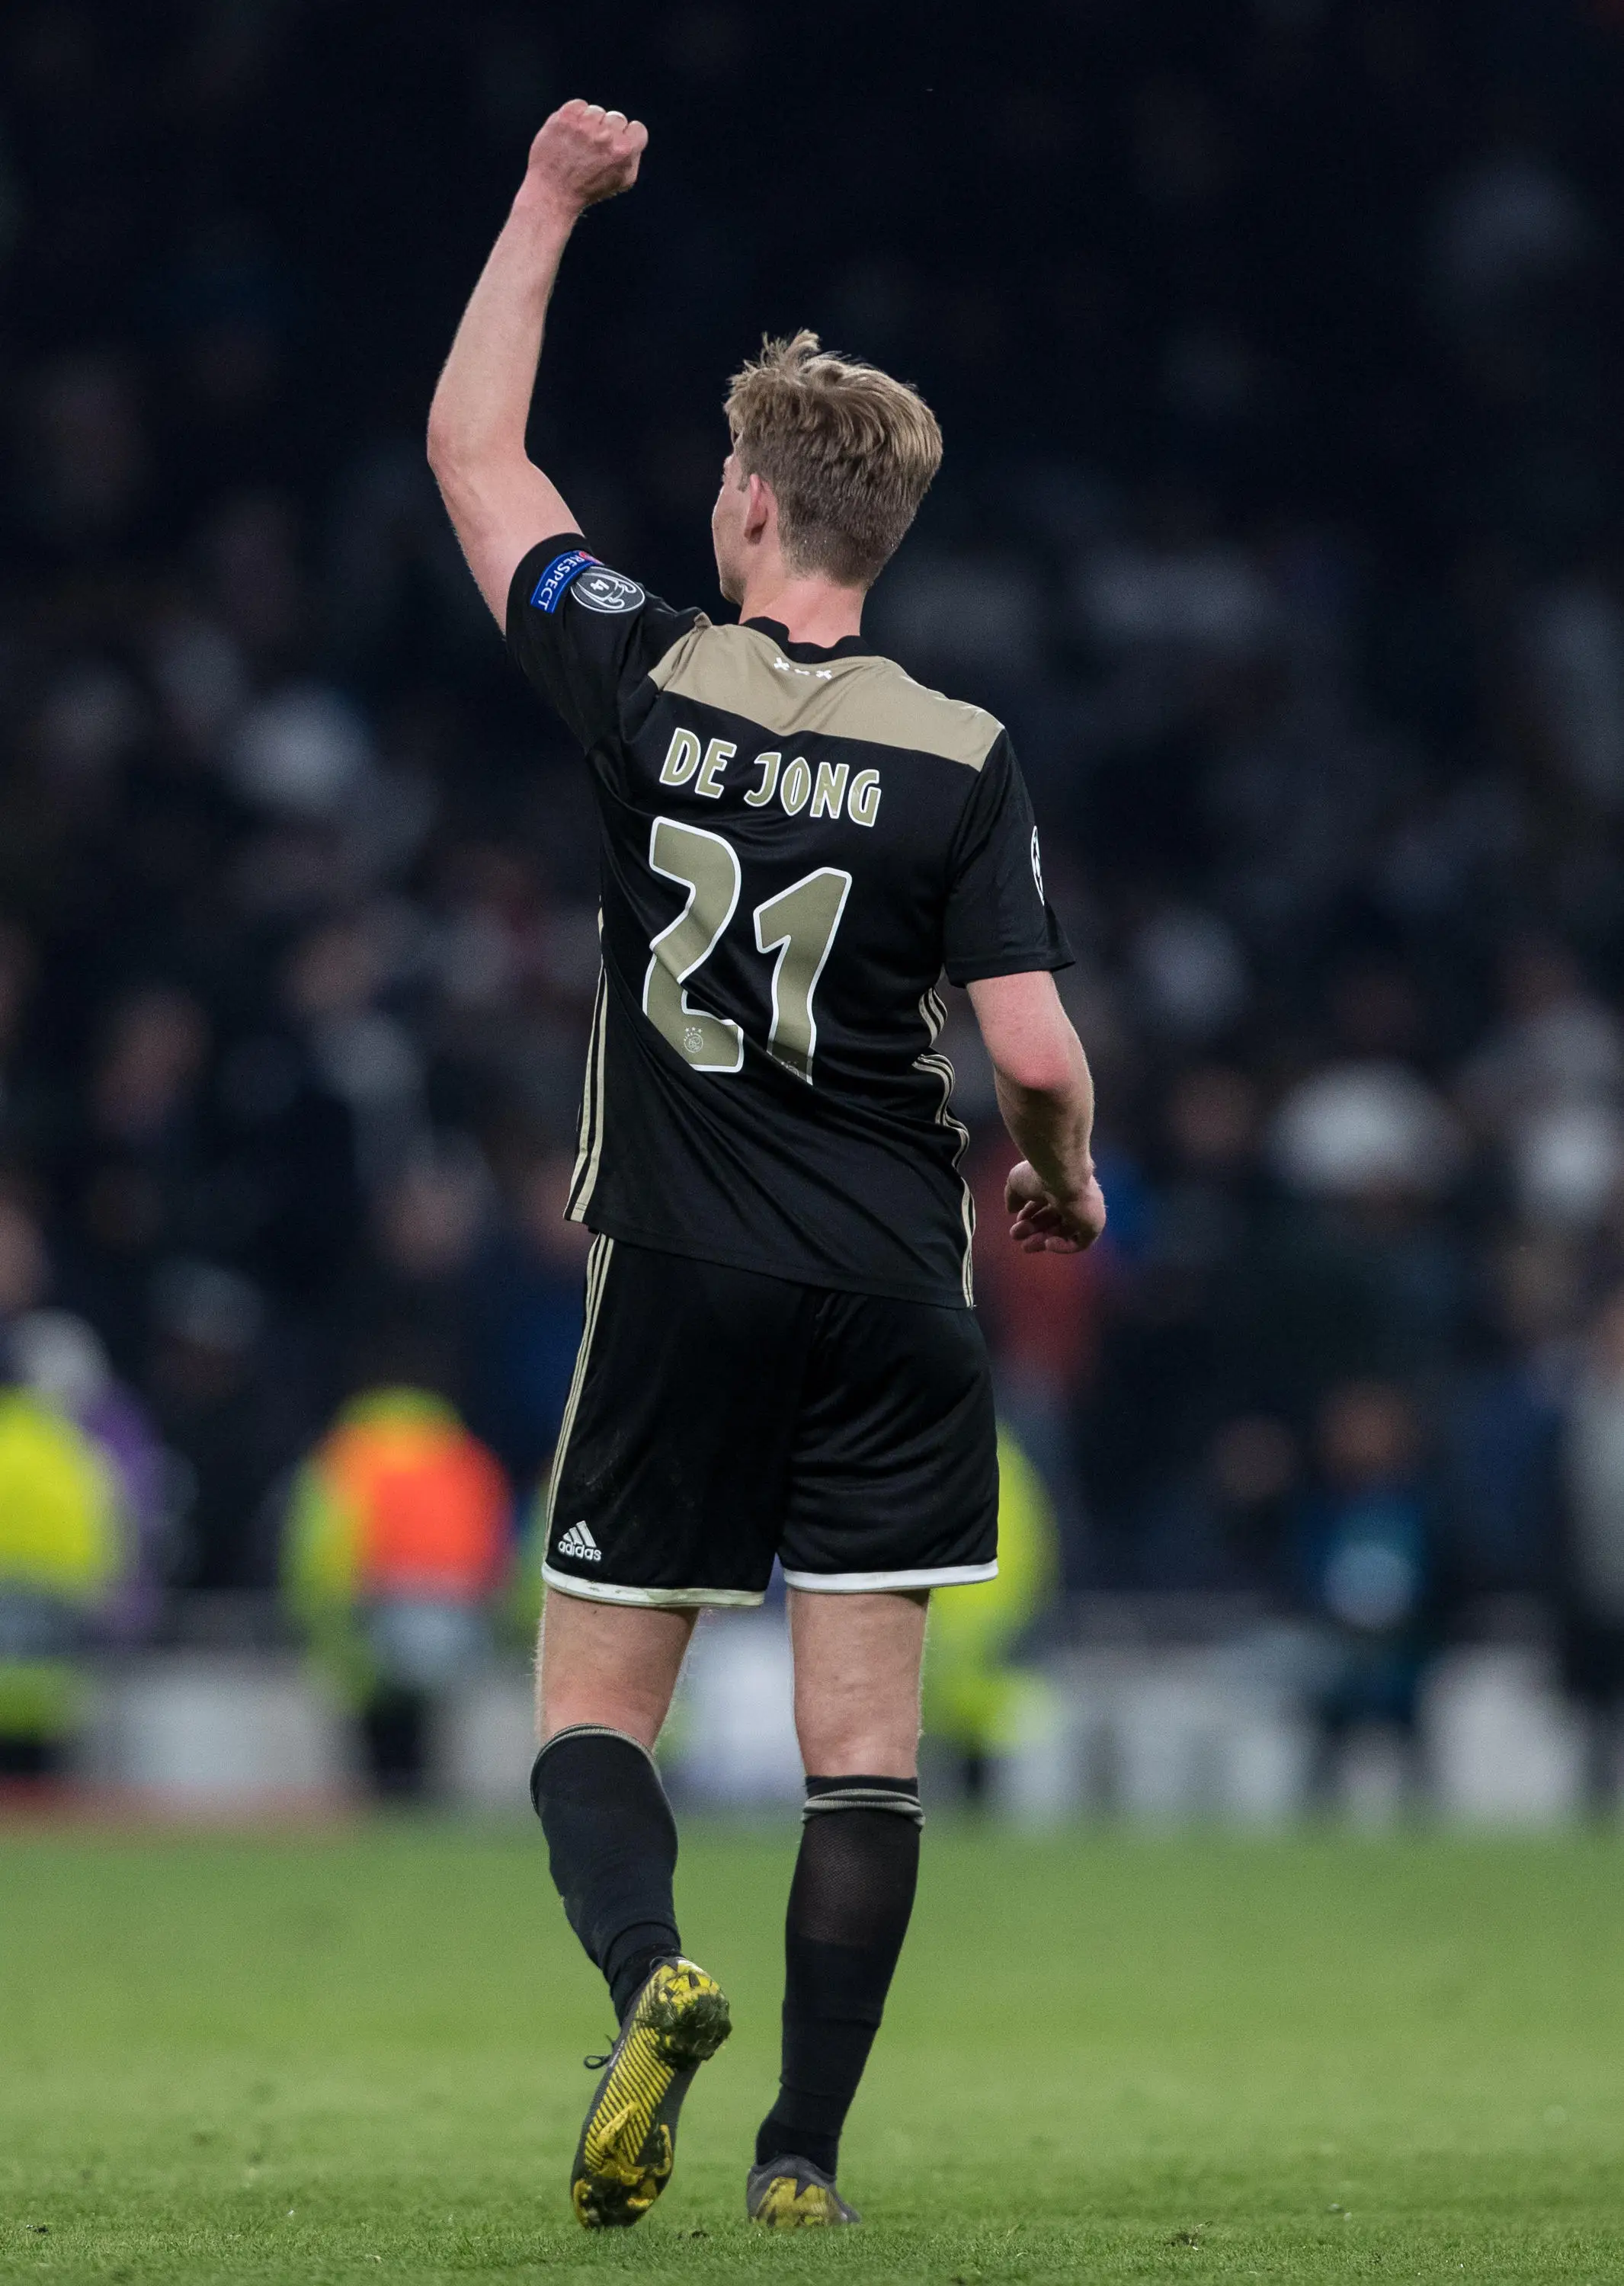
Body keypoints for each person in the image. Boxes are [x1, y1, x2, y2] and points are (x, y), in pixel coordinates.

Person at [428, 100, 1106, 2231]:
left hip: (686, 1269)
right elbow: (1034, 1054)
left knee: (593, 1713)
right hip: (900, 1285)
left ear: (744, 505)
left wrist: (545, 204)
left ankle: (652, 1977)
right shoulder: (963, 751)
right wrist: (1063, 1178)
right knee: (866, 1752)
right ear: (877, 535)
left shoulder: (646, 672)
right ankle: (802, 2160)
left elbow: (473, 457)